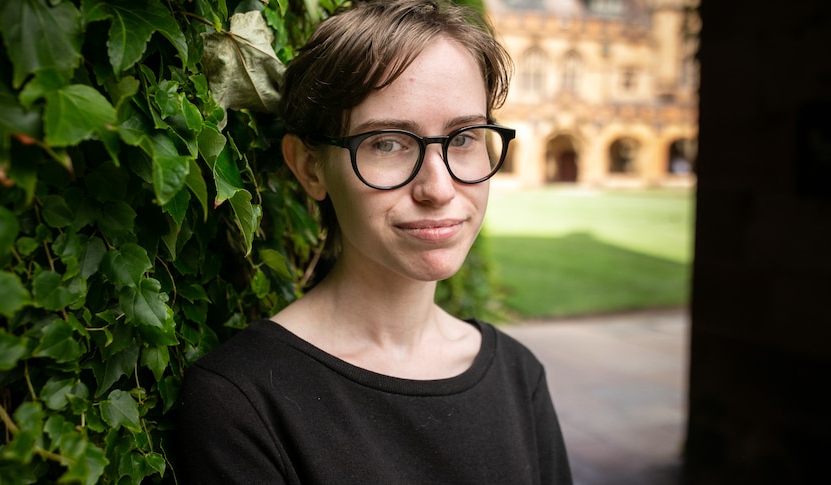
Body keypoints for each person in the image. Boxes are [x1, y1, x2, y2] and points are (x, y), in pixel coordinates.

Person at [176, 1, 572, 483]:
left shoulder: (518, 375)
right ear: (310, 167)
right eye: (387, 142)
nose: (439, 188)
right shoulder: (242, 400)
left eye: (464, 137)